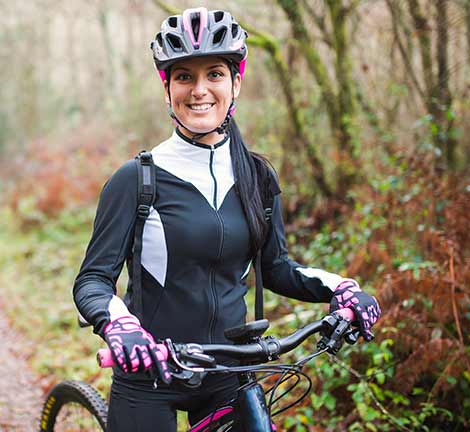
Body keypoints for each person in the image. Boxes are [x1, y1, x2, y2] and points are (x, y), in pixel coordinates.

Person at [73, 7, 381, 431]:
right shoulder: (137, 179)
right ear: (167, 90)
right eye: (184, 76)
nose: (200, 90)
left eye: (214, 74)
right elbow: (92, 281)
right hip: (150, 372)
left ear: (235, 82)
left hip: (231, 372)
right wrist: (121, 325)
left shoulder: (257, 177)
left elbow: (276, 270)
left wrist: (342, 289)